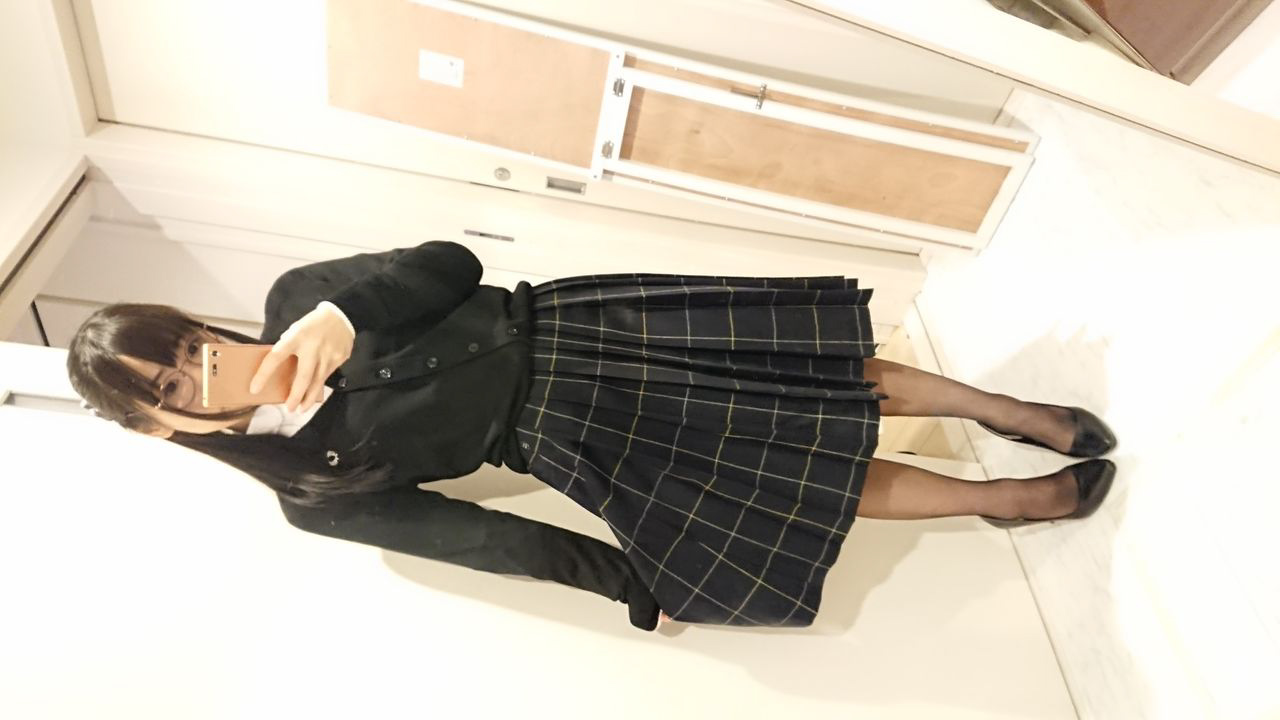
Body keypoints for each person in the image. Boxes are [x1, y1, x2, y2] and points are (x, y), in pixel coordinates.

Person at [66, 240, 1116, 632]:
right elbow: (486, 540)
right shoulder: (311, 490)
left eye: (188, 342)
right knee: (803, 468)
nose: (204, 365)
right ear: (159, 426)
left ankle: (1007, 413)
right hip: (576, 437)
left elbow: (451, 265)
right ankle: (1003, 500)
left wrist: (345, 317)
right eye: (173, 383)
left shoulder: (300, 297)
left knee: (819, 373)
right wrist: (628, 584)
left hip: (581, 325)